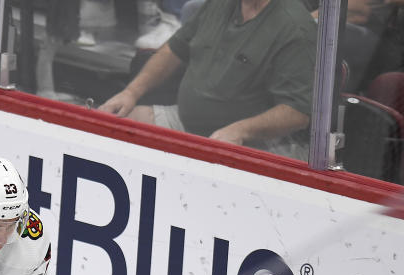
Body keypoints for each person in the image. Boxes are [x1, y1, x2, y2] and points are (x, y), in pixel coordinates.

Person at [99, 0, 317, 159]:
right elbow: (174, 49)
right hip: (186, 122)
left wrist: (240, 130)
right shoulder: (219, 4)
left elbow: (297, 112)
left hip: (253, 145)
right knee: (105, 125)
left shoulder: (293, 26)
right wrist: (131, 92)